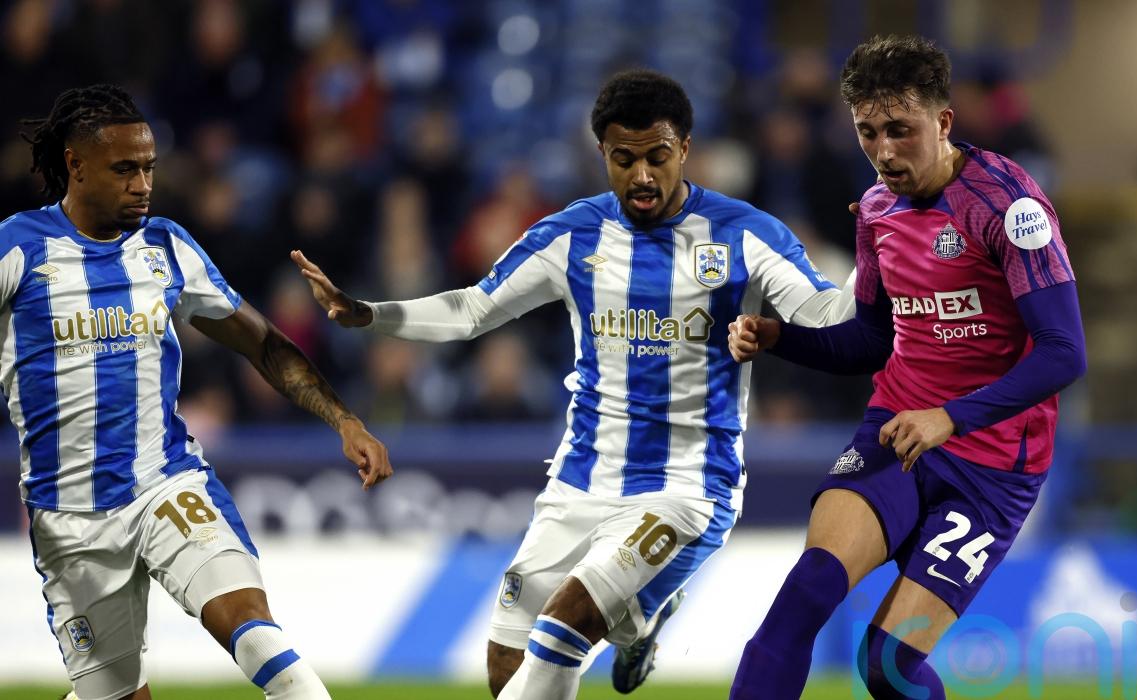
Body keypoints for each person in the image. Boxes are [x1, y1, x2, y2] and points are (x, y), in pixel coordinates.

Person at [292, 69, 855, 699]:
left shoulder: (744, 234)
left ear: (685, 149)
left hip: (686, 485)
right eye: (624, 159)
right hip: (580, 480)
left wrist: (880, 249)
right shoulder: (572, 234)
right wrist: (370, 313)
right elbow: (474, 308)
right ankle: (643, 617)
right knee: (506, 660)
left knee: (567, 621)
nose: (642, 176)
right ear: (601, 154)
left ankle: (639, 609)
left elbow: (830, 317)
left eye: (657, 157)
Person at [725, 35, 1086, 699]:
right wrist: (780, 337)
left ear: (943, 122)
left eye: (900, 130)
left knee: (887, 668)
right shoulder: (876, 211)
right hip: (895, 434)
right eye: (867, 133)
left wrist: (950, 418)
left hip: (993, 467)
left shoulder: (1009, 207)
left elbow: (1065, 352)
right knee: (804, 595)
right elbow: (869, 342)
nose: (884, 152)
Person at [10, 84, 392, 700]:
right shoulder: (19, 248)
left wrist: (344, 420)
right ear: (75, 165)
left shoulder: (165, 247)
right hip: (69, 517)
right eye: (124, 169)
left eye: (149, 168)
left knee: (257, 635)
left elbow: (262, 343)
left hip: (165, 484)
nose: (143, 185)